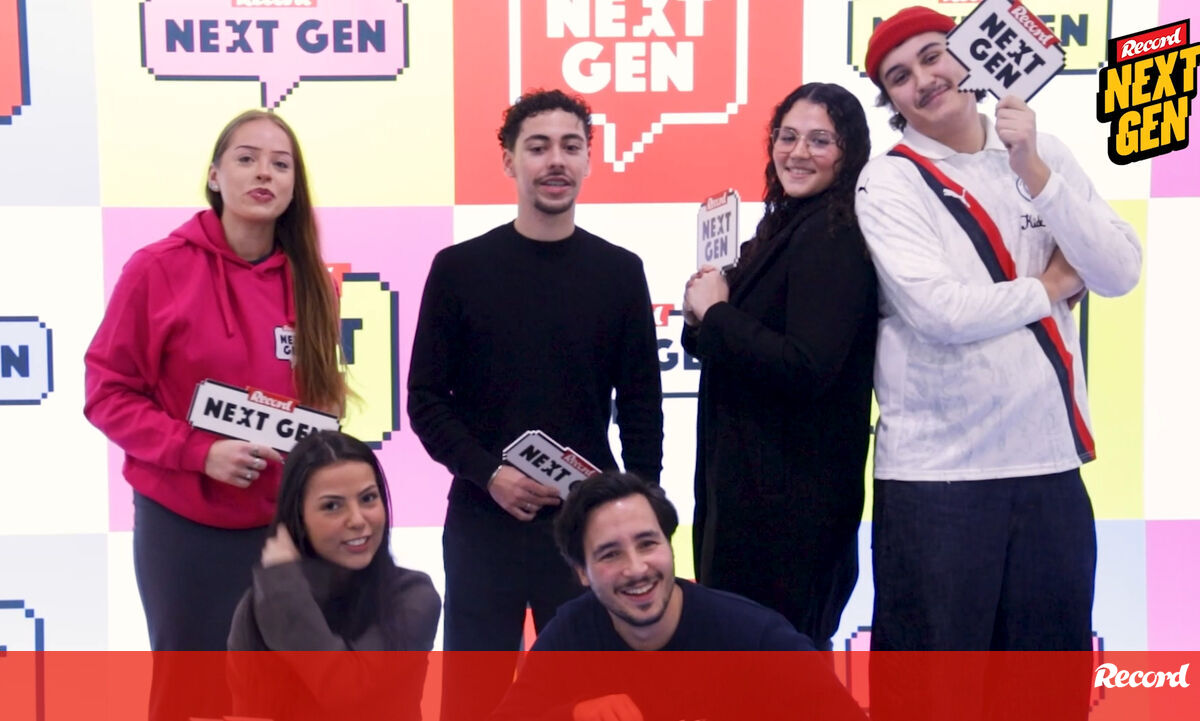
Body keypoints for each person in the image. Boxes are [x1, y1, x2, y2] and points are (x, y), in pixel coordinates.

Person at [407, 88, 664, 720]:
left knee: (591, 699)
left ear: (588, 160)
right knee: (474, 701)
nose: (556, 161)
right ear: (509, 160)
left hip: (585, 529)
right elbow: (425, 400)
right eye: (538, 147)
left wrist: (636, 516)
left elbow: (642, 409)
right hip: (482, 521)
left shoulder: (620, 272)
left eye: (571, 147)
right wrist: (488, 474)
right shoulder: (459, 269)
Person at [83, 109, 346, 719]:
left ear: (294, 186)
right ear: (214, 175)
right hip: (183, 526)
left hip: (282, 525)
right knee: (191, 697)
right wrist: (199, 452)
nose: (264, 173)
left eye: (281, 164)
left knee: (285, 697)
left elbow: (321, 398)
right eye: (246, 158)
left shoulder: (313, 282)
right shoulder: (156, 269)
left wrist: (317, 430)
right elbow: (107, 392)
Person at [681, 82, 877, 651]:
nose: (798, 152)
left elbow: (806, 366)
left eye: (820, 140)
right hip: (747, 497)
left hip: (790, 511)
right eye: (787, 136)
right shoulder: (783, 226)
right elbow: (733, 346)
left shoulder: (834, 235)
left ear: (849, 153)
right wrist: (700, 315)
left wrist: (717, 313)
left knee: (778, 673)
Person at [489, 472, 867, 721]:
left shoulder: (754, 636)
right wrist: (573, 715)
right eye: (610, 554)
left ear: (670, 547)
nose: (636, 568)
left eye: (647, 543)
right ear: (582, 573)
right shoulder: (572, 633)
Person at [227, 430, 441, 721]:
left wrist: (284, 589)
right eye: (332, 506)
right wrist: (282, 589)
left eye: (368, 498)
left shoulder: (413, 596)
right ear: (299, 518)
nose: (357, 520)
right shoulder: (263, 602)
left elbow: (346, 695)